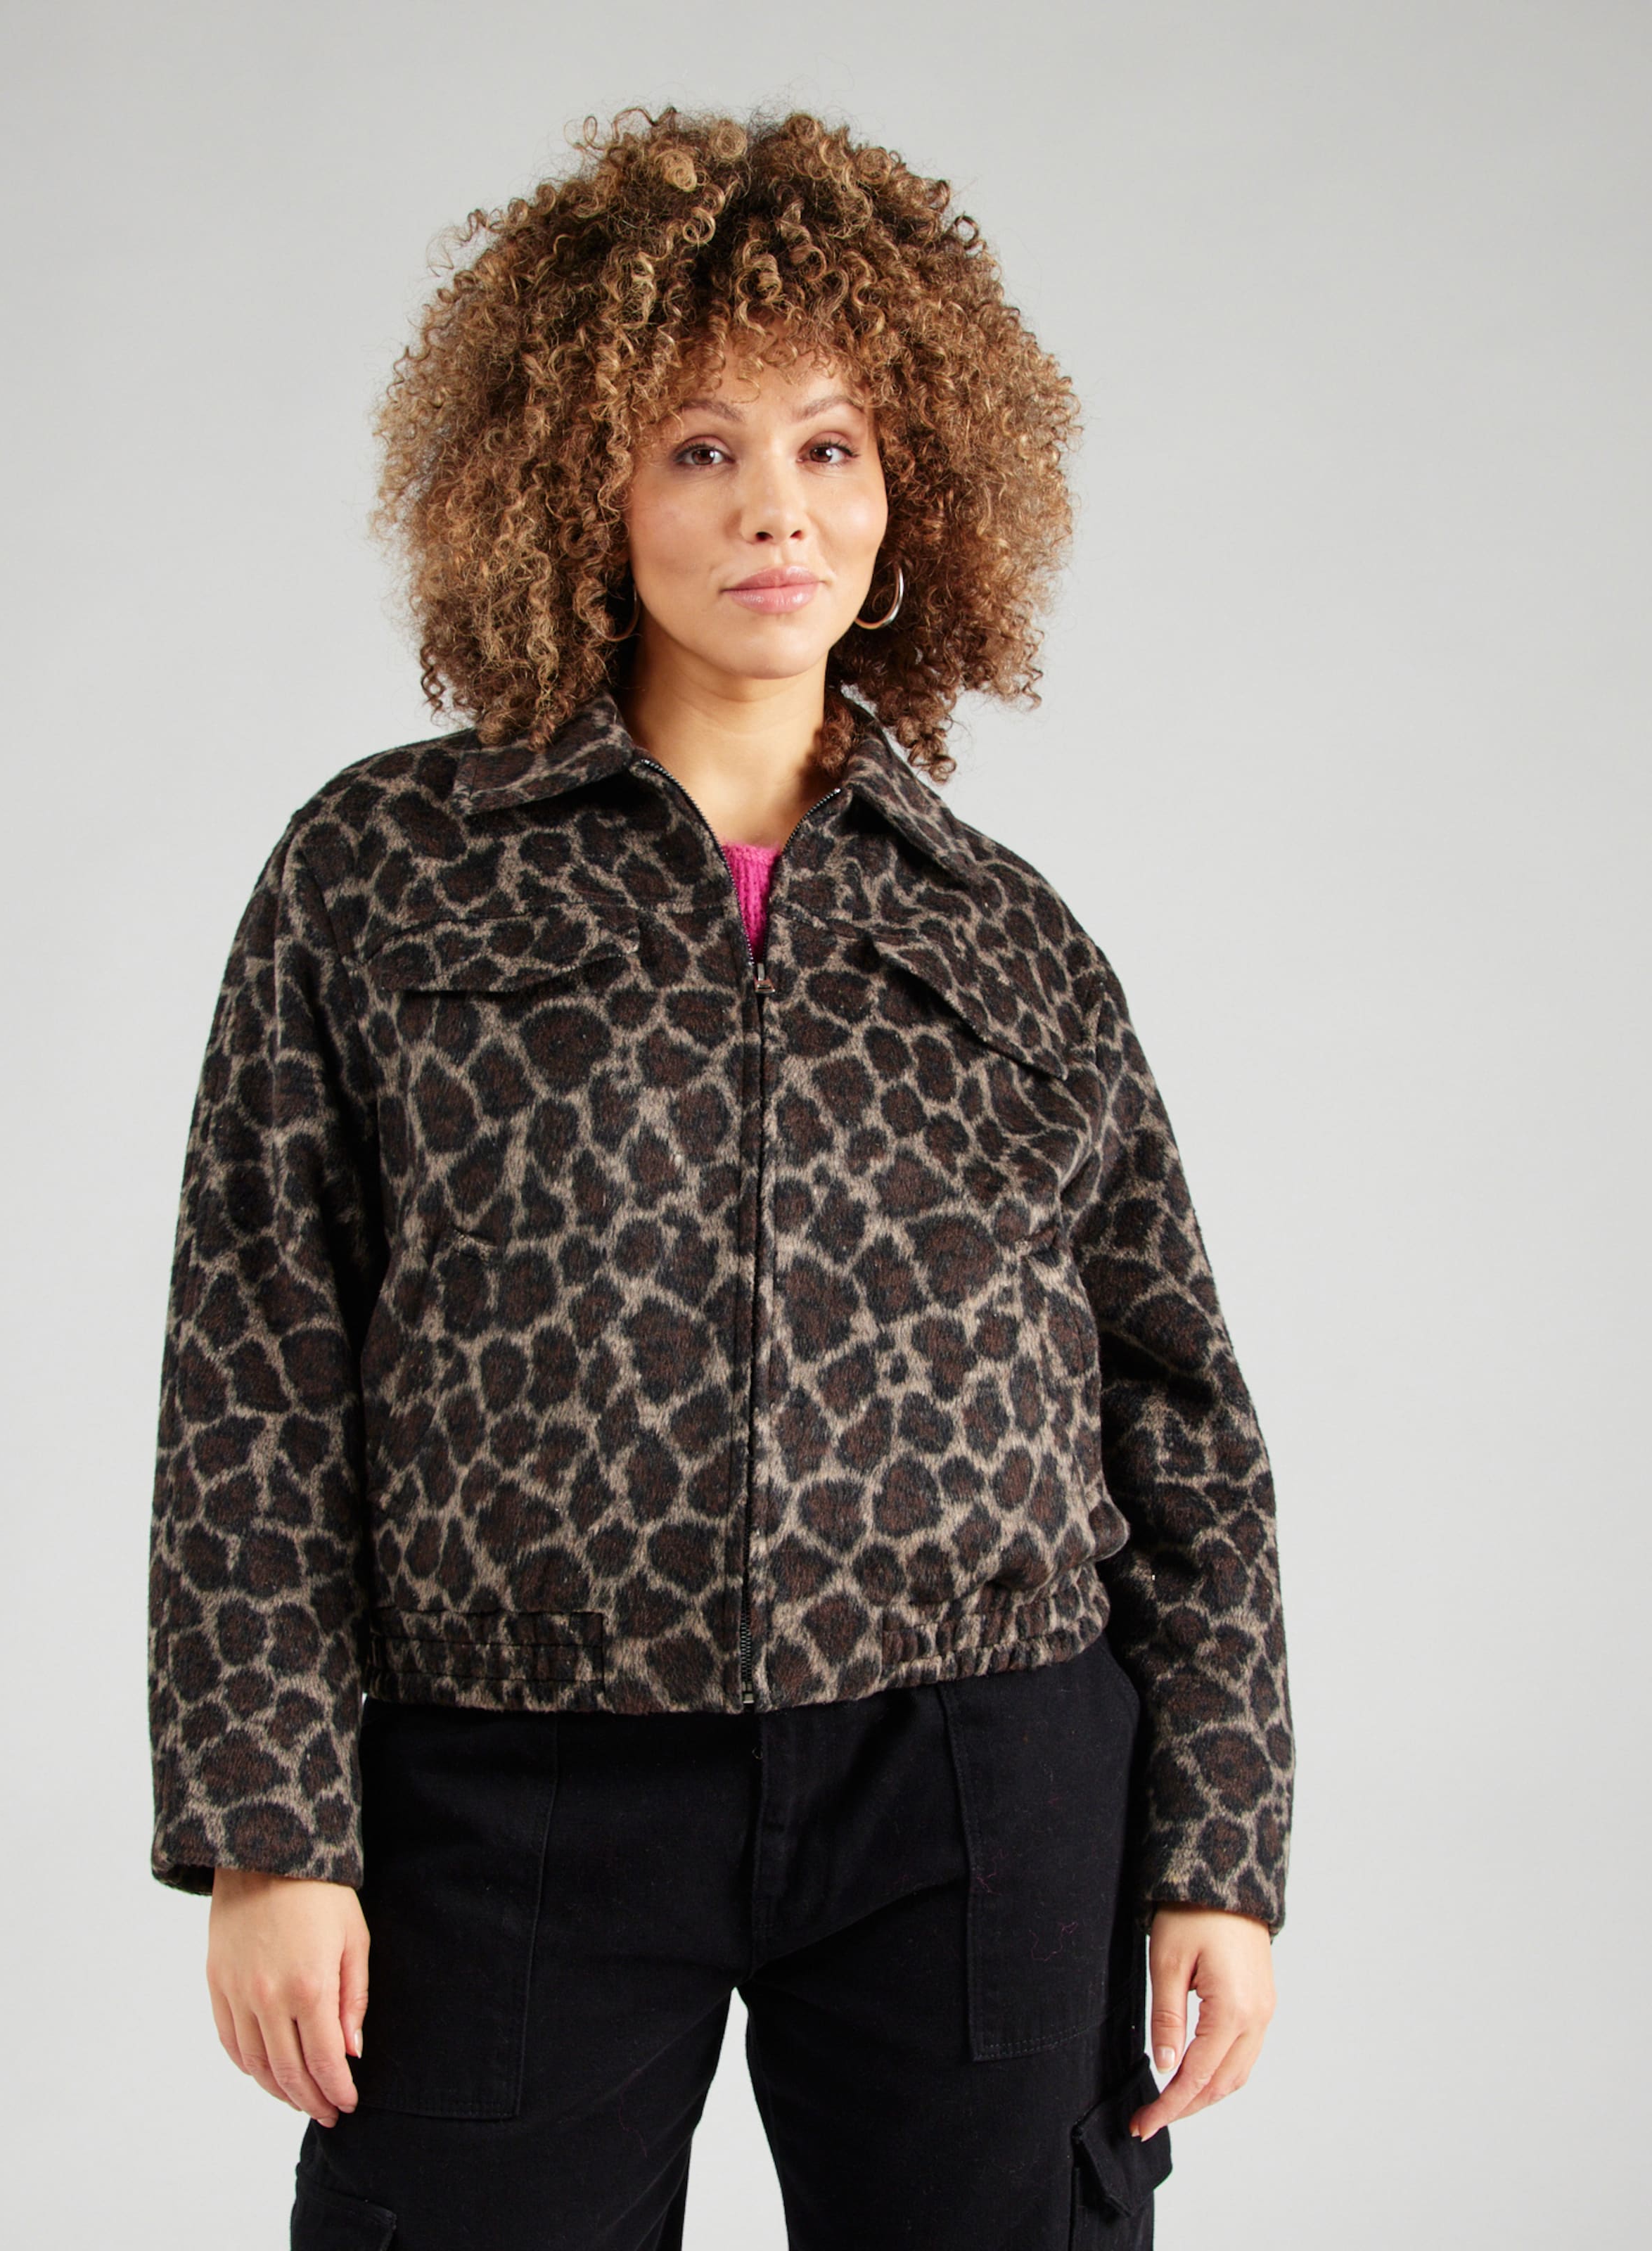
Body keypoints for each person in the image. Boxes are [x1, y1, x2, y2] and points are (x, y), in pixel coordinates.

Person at [147, 107, 1293, 2250]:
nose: (778, 506)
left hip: (980, 1778)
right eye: (700, 448)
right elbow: (255, 1364)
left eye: (830, 446)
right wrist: (267, 1827)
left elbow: (1179, 1412)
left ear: (913, 487)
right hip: (518, 1775)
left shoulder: (1007, 932)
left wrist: (1218, 1850)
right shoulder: (386, 870)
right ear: (575, 483)